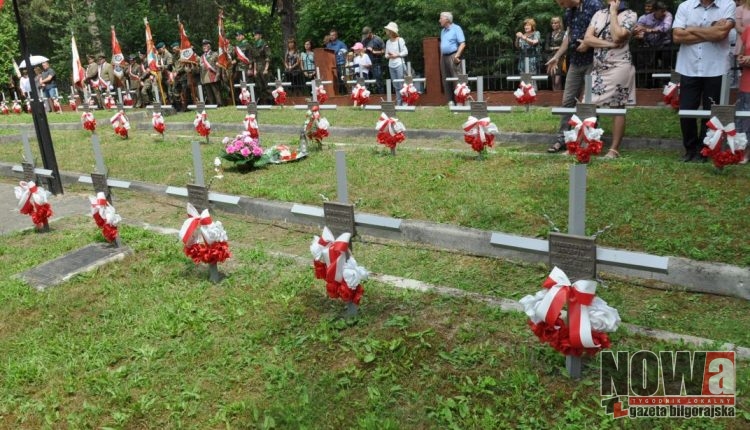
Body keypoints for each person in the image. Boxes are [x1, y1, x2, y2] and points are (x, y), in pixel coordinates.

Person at [672, 0, 736, 162]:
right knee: (686, 111)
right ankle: (690, 149)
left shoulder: (727, 4)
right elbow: (677, 36)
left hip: (716, 67)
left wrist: (692, 29)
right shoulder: (685, 6)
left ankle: (705, 150)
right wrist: (710, 32)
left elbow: (721, 35)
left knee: (711, 113)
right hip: (689, 67)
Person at [545, 0, 604, 153]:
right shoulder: (568, 12)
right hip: (575, 61)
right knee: (567, 101)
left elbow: (602, 30)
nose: (561, 6)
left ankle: (589, 140)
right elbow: (568, 37)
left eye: (562, 2)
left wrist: (588, 43)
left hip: (593, 60)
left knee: (588, 102)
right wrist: (557, 56)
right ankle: (563, 139)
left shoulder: (594, 5)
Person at [583, 0, 637, 159]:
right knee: (586, 103)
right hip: (599, 68)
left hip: (619, 67)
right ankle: (585, 143)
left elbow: (619, 35)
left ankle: (614, 149)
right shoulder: (598, 14)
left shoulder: (630, 15)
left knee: (617, 107)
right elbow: (588, 38)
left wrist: (613, 13)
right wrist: (610, 45)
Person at [439, 11, 466, 104]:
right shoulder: (442, 31)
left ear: (447, 19)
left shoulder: (456, 28)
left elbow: (462, 43)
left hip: (453, 55)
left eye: (441, 18)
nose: (439, 20)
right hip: (444, 57)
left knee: (456, 78)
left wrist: (457, 55)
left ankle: (460, 101)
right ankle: (450, 101)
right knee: (445, 79)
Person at [736, 14, 750, 163]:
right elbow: (740, 53)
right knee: (745, 118)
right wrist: (741, 59)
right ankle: (744, 150)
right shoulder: (747, 31)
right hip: (747, 81)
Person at [384, 21, 408, 105]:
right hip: (391, 65)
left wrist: (396, 55)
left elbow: (405, 52)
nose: (386, 31)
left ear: (391, 31)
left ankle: (405, 101)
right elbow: (386, 54)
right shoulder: (388, 42)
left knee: (402, 83)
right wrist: (389, 56)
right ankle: (398, 102)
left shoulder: (400, 40)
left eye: (388, 30)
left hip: (399, 64)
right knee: (396, 85)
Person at [250, 29, 272, 104]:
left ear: (260, 35)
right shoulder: (255, 45)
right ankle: (263, 102)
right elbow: (255, 59)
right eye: (254, 35)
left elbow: (268, 57)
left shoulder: (264, 44)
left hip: (264, 66)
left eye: (256, 35)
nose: (255, 36)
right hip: (258, 68)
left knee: (267, 85)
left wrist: (266, 68)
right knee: (259, 86)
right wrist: (255, 70)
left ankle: (271, 102)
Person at [545, 16, 567, 91]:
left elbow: (565, 46)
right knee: (553, 80)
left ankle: (559, 97)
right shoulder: (549, 34)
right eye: (552, 23)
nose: (554, 24)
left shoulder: (564, 33)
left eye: (555, 23)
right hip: (551, 57)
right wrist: (557, 48)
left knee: (558, 80)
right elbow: (546, 48)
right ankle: (555, 96)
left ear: (559, 23)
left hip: (561, 58)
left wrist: (558, 48)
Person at [362, 26, 385, 93]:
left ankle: (381, 96)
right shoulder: (364, 40)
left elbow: (384, 51)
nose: (365, 36)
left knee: (379, 82)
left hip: (376, 63)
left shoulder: (378, 39)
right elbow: (361, 50)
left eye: (367, 34)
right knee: (366, 83)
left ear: (370, 33)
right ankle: (366, 98)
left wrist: (374, 51)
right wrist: (365, 49)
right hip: (366, 64)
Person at [200, 39, 222, 106]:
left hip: (213, 76)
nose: (204, 47)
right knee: (209, 93)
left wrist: (218, 75)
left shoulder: (215, 54)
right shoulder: (202, 56)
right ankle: (212, 105)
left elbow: (219, 66)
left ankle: (220, 105)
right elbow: (201, 68)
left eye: (206, 46)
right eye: (203, 46)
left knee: (216, 92)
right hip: (205, 77)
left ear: (209, 46)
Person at [325, 29, 348, 94]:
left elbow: (345, 52)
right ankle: (339, 93)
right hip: (332, 65)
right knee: (335, 80)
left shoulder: (341, 44)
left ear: (336, 36)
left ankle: (344, 93)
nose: (331, 37)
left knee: (342, 79)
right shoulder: (328, 45)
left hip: (340, 64)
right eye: (330, 35)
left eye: (333, 35)